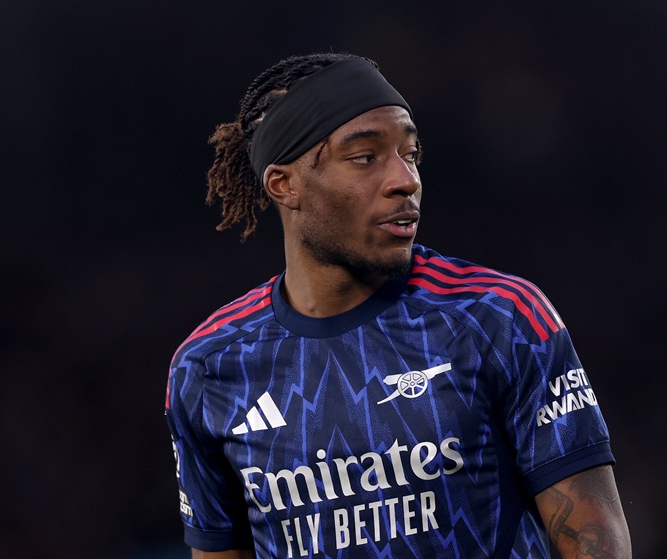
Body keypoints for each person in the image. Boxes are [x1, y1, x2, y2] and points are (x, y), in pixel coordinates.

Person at [166, 52, 632, 559]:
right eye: (365, 158)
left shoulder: (499, 317)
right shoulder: (210, 367)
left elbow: (593, 536)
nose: (404, 179)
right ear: (285, 185)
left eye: (409, 154)